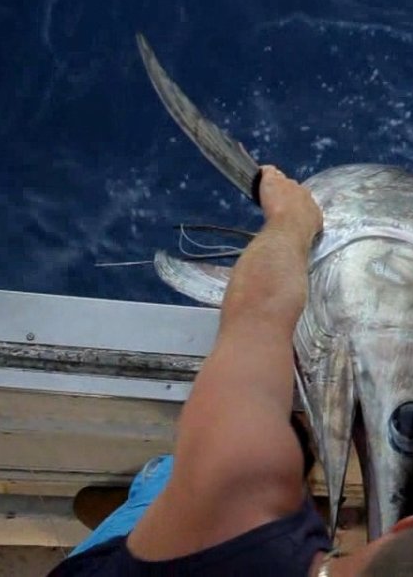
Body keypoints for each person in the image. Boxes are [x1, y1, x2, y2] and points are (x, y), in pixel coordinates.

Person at [50, 166, 375, 576]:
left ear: (408, 528)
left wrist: (291, 218)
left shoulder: (241, 479)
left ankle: (149, 499)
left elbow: (258, 313)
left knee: (177, 476)